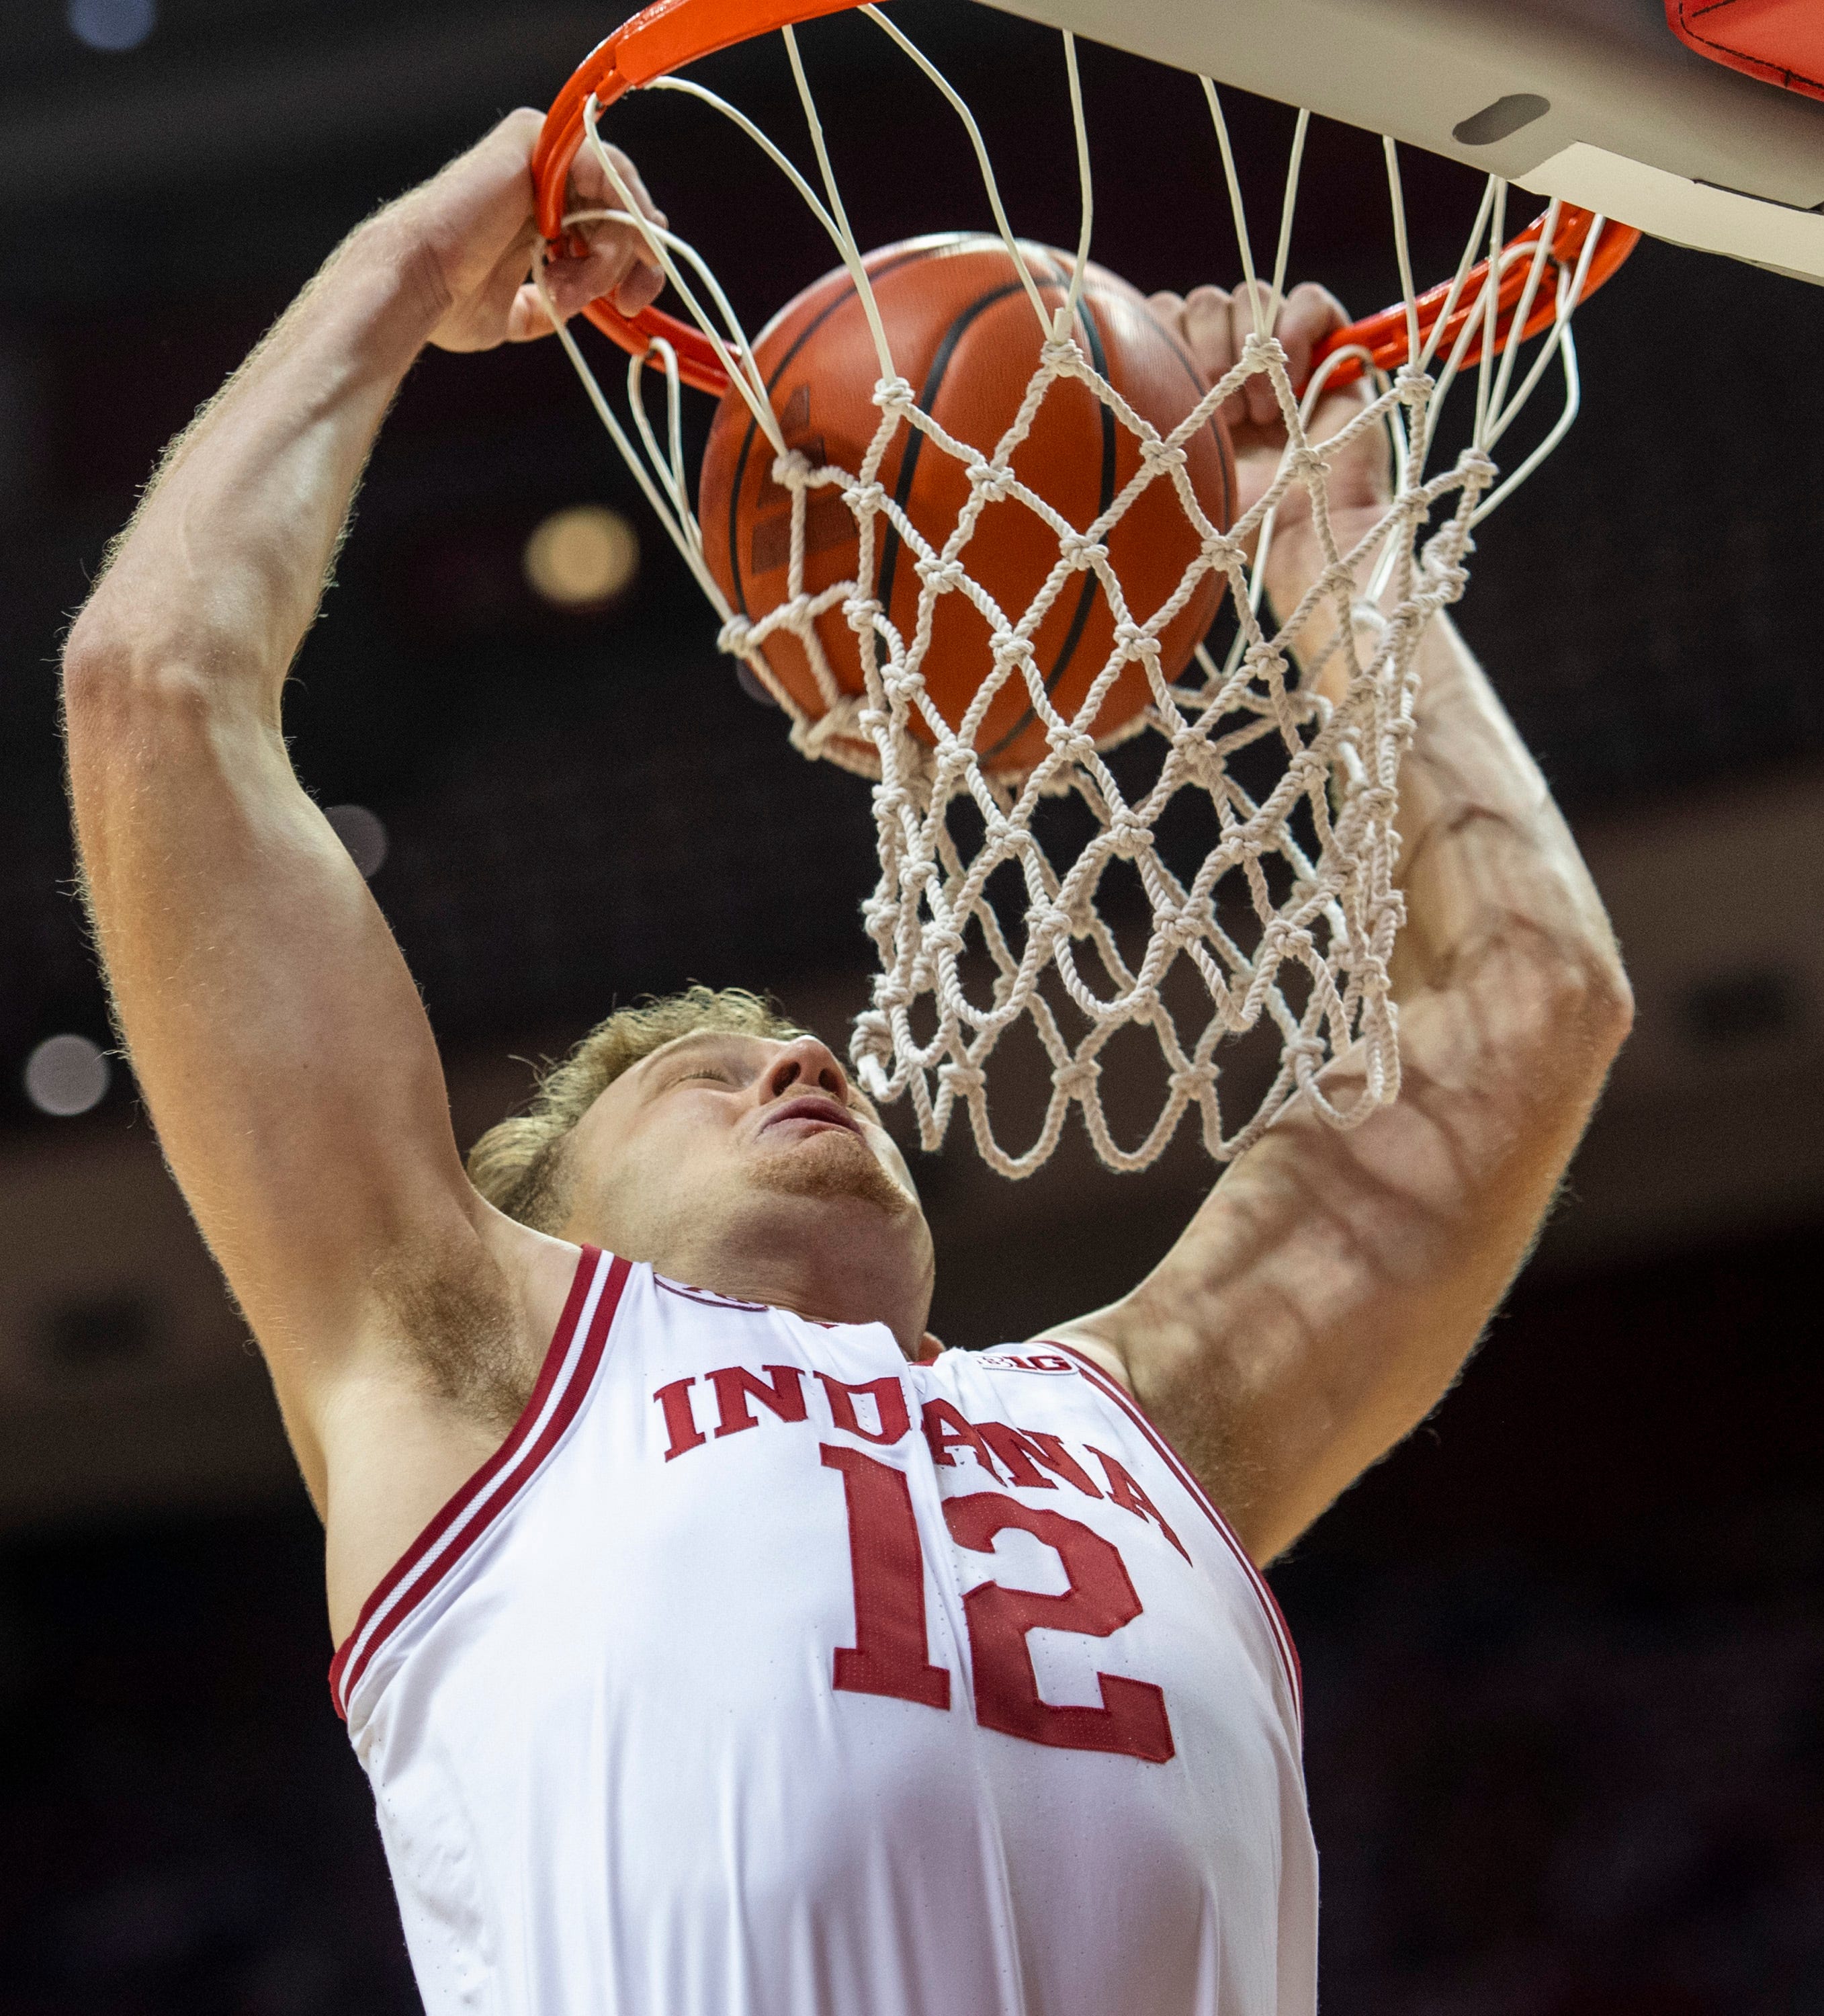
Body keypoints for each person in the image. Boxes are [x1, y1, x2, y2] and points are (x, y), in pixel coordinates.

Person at [60, 108, 1631, 2016]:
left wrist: (1327, 549)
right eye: (701, 1077)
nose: (798, 1065)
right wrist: (402, 267)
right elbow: (154, 696)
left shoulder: (1142, 1421)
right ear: (544, 1228)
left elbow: (1532, 1004)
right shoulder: (472, 1362)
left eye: (801, 1056)